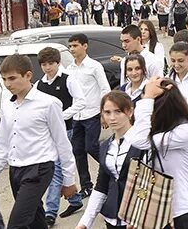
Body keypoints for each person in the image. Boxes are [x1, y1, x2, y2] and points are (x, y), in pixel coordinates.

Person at [0, 54, 78, 229]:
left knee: (17, 223)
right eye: (4, 79)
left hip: (39, 168)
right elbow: (3, 145)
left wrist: (68, 180)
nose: (8, 84)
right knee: (35, 221)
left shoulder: (49, 103)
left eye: (12, 78)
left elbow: (62, 143)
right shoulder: (8, 105)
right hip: (16, 170)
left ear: (28, 75)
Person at [125, 77, 188, 228]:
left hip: (183, 215)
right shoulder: (161, 133)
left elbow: (139, 139)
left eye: (151, 106)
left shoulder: (185, 131)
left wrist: (148, 98)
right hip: (157, 214)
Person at [75, 91, 144, 229]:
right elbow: (102, 185)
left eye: (118, 111)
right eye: (107, 112)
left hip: (138, 218)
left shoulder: (143, 143)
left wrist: (138, 216)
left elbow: (149, 182)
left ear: (130, 112)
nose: (112, 118)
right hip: (112, 217)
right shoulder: (105, 145)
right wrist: (85, 222)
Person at [36, 47, 86, 223]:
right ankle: (75, 199)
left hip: (66, 130)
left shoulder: (67, 80)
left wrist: (61, 116)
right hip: (46, 133)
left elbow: (81, 101)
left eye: (51, 63)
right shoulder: (39, 85)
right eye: (44, 64)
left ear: (58, 63)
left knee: (56, 169)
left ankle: (50, 212)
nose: (47, 67)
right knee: (54, 166)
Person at [66, 33, 111, 200]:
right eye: (70, 46)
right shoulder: (69, 69)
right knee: (77, 150)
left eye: (75, 45)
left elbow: (105, 89)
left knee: (91, 146)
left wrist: (103, 113)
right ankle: (86, 186)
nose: (72, 49)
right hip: (77, 116)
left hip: (92, 113)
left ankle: (113, 168)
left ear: (85, 46)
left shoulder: (94, 66)